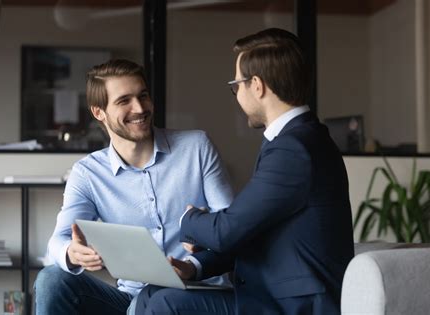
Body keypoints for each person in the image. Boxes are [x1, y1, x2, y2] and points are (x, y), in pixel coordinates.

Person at [135, 28, 355, 315]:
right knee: (153, 293)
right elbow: (251, 233)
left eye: (236, 85)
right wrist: (194, 267)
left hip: (293, 305)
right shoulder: (298, 140)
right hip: (274, 295)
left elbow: (226, 231)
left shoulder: (294, 148)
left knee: (165, 303)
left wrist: (188, 218)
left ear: (257, 85)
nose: (237, 95)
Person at [33, 59, 234, 315]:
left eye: (143, 96)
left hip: (198, 294)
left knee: (155, 302)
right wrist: (73, 253)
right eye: (124, 100)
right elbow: (57, 241)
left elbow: (231, 228)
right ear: (99, 112)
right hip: (132, 299)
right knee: (52, 280)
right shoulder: (88, 173)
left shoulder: (196, 147)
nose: (139, 108)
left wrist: (195, 259)